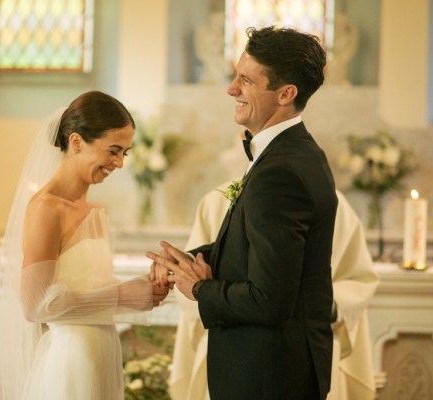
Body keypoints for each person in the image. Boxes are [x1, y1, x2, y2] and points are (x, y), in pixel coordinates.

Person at [148, 26, 338, 399]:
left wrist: (200, 288)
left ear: (286, 94)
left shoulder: (281, 171)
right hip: (277, 366)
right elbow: (259, 254)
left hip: (266, 375)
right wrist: (189, 261)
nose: (231, 89)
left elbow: (269, 299)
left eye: (246, 80)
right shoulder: (293, 152)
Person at [0, 91, 170, 400]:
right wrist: (122, 295)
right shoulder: (48, 208)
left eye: (124, 152)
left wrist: (145, 288)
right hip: (73, 358)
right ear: (76, 142)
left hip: (101, 351)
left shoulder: (91, 210)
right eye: (113, 150)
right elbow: (36, 306)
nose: (120, 163)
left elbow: (88, 286)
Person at [168, 182, 379, 400]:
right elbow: (189, 281)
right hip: (228, 354)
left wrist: (314, 305)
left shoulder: (330, 201)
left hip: (307, 349)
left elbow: (358, 280)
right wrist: (201, 284)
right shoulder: (217, 200)